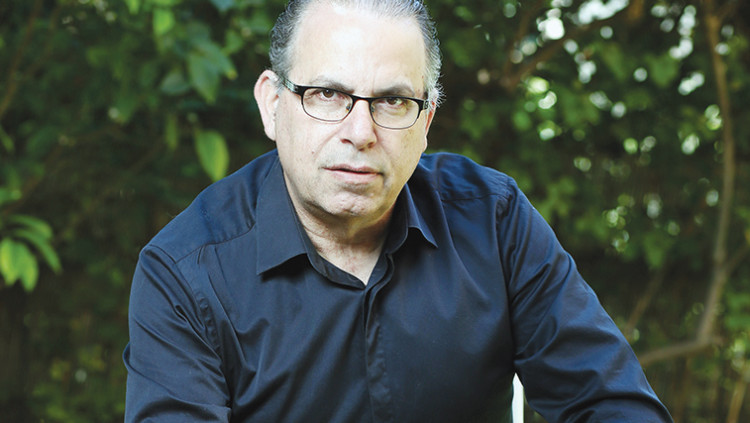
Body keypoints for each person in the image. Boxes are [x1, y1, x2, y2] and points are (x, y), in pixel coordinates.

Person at [123, 0, 673, 422]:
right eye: (327, 94)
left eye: (392, 101)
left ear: (426, 121)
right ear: (272, 104)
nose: (360, 133)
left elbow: (611, 403)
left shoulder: (493, 219)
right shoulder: (185, 273)